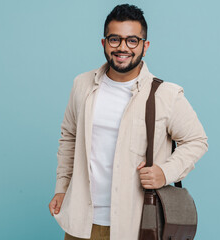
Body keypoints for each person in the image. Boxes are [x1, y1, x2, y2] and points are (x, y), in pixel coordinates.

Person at [48, 4, 208, 240]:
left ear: (145, 46)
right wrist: (61, 189)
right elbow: (69, 138)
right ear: (104, 43)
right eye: (115, 39)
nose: (123, 47)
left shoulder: (165, 94)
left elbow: (197, 141)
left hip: (135, 226)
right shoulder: (82, 85)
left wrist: (165, 172)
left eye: (132, 40)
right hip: (81, 222)